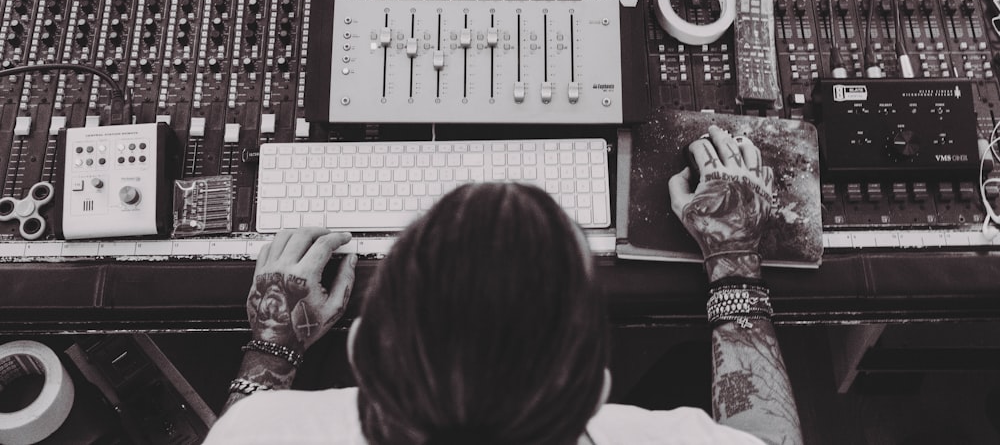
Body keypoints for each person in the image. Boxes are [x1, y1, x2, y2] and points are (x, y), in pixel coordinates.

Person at [203, 126, 803, 444]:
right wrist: (732, 252)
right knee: (688, 365)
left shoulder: (261, 433)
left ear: (361, 347)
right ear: (595, 392)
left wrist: (275, 341)